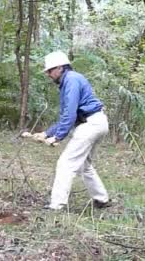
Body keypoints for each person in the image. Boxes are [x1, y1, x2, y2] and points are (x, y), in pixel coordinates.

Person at [35, 51, 111, 210]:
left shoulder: (71, 80)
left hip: (90, 124)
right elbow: (69, 115)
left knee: (65, 164)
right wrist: (47, 133)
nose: (48, 74)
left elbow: (69, 114)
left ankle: (57, 205)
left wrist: (58, 137)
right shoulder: (71, 80)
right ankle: (102, 199)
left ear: (60, 68)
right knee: (85, 164)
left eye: (50, 70)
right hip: (98, 122)